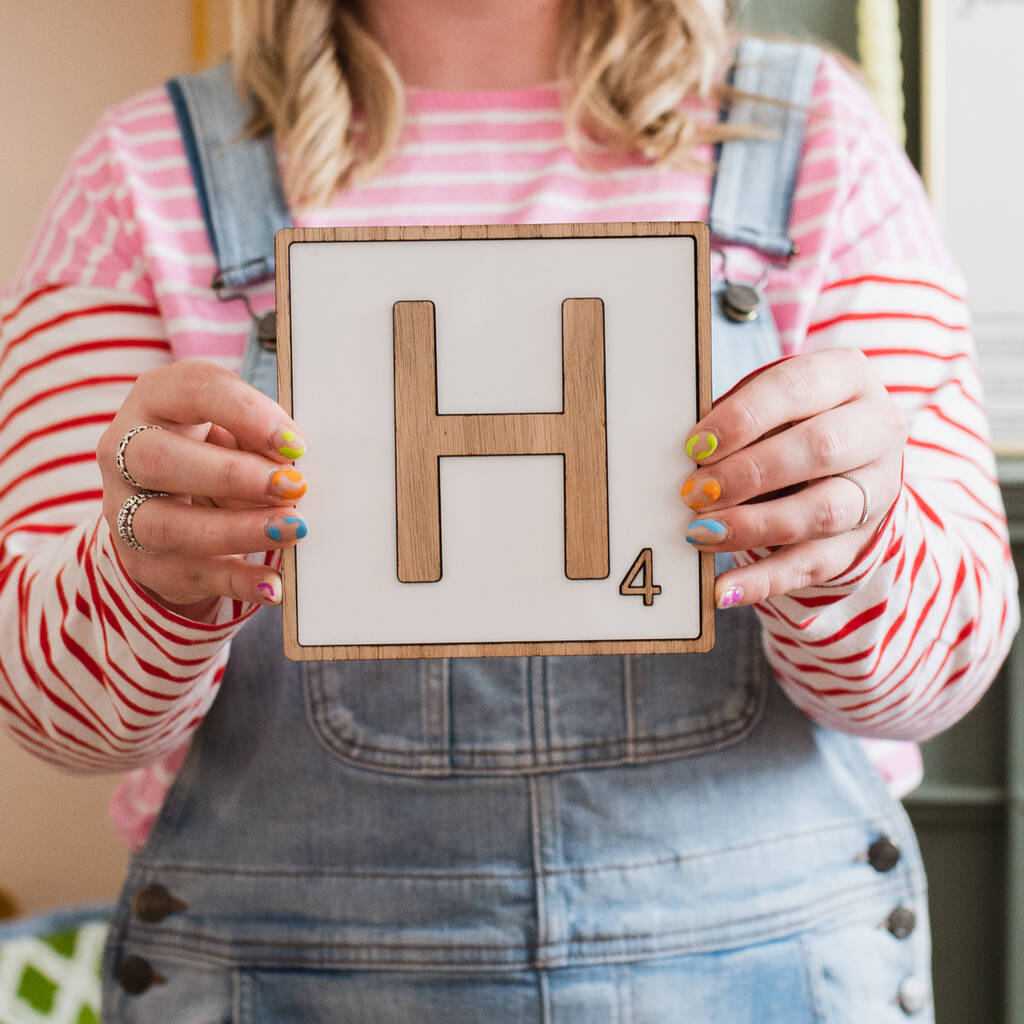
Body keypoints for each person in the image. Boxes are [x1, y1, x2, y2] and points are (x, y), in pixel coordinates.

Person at [0, 0, 1017, 1020]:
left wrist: (852, 543)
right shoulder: (143, 173)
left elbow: (934, 677)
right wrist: (137, 570)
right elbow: (64, 718)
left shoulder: (813, 140)